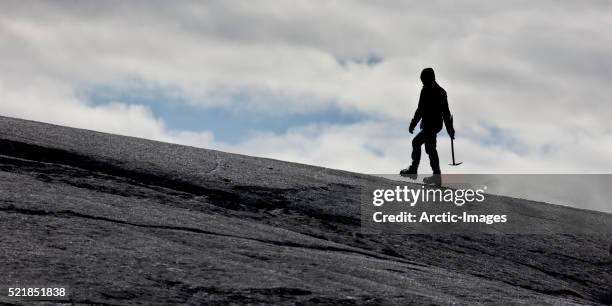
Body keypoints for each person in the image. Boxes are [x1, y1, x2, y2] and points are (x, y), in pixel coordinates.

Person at [400, 68, 455, 185]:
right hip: (427, 124)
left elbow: (445, 113)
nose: (423, 83)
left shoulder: (440, 93)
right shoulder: (427, 90)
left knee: (427, 147)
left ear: (430, 79)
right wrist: (413, 123)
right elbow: (420, 109)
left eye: (424, 80)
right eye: (422, 81)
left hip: (433, 124)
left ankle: (431, 174)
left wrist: (450, 129)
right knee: (422, 145)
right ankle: (424, 172)